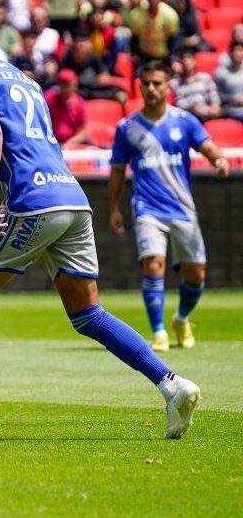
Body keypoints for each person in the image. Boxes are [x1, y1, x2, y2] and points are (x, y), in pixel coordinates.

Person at [0, 10, 200, 441]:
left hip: (35, 202)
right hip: (72, 198)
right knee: (88, 314)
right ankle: (173, 385)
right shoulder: (26, 79)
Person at [109, 61, 229, 352]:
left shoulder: (184, 121)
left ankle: (181, 318)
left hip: (182, 209)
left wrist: (219, 160)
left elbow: (207, 145)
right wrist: (113, 208)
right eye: (146, 83)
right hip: (147, 209)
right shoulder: (127, 128)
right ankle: (159, 332)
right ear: (139, 85)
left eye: (157, 83)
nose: (152, 88)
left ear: (168, 86)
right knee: (153, 264)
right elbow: (117, 170)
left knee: (196, 274)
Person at [44, 69, 90, 147]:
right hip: (50, 142)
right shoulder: (48, 98)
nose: (65, 87)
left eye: (68, 84)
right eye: (63, 84)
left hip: (71, 144)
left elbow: (85, 132)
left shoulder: (79, 103)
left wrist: (69, 143)